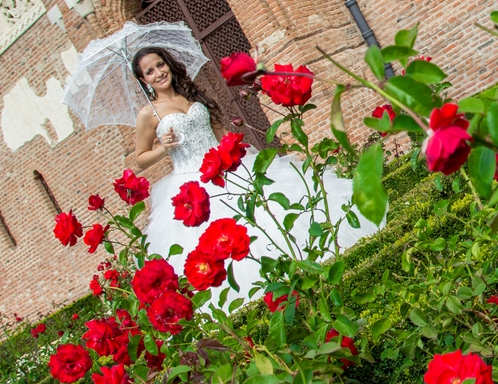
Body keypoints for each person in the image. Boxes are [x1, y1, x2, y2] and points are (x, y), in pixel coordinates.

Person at [132, 47, 382, 309]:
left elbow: (219, 133)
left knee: (271, 214)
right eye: (150, 71)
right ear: (143, 80)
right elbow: (141, 158)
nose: (158, 73)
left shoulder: (191, 95)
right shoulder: (149, 114)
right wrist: (163, 148)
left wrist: (236, 153)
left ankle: (307, 269)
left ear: (168, 64)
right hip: (191, 187)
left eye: (160, 65)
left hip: (225, 168)